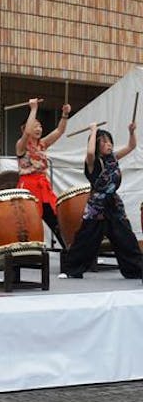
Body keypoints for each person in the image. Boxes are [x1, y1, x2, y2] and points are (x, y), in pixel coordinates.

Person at [59, 123, 142, 279]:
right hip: (97, 205)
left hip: (114, 204)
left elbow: (132, 146)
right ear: (96, 144)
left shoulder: (113, 158)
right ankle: (71, 269)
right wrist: (93, 130)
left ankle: (136, 269)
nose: (109, 144)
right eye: (103, 142)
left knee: (126, 236)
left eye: (109, 141)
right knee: (86, 238)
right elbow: (90, 151)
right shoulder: (92, 161)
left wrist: (131, 132)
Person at [16, 98, 70, 247]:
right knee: (29, 223)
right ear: (24, 128)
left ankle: (69, 252)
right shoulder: (21, 145)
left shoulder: (42, 144)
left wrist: (64, 115)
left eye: (40, 126)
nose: (38, 128)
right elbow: (27, 132)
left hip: (43, 188)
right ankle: (25, 253)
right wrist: (33, 109)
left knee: (56, 220)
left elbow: (59, 131)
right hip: (28, 188)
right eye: (35, 126)